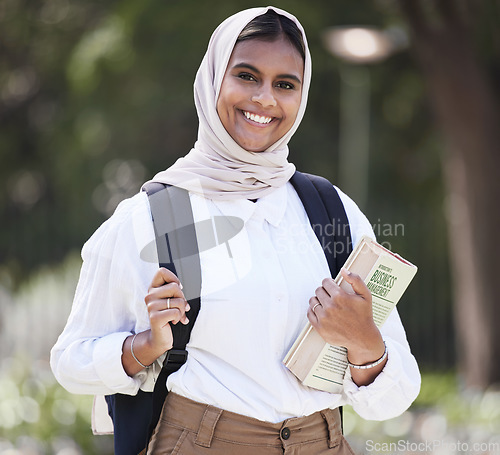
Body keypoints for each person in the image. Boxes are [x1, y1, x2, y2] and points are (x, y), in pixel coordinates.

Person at [51, 6, 420, 454]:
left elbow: (393, 400)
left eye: (285, 84)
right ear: (212, 82)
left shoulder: (329, 210)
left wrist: (366, 345)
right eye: (247, 76)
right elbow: (71, 360)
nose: (265, 98)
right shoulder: (156, 216)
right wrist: (145, 345)